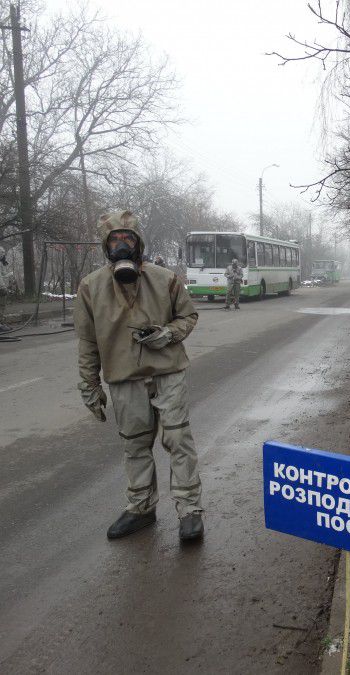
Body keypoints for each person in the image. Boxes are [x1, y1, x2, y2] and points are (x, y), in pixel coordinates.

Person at [73, 210, 205, 541]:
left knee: (178, 440)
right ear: (105, 245)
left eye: (127, 238)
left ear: (138, 242)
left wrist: (168, 333)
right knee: (135, 446)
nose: (121, 245)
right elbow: (87, 342)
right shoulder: (90, 287)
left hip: (167, 372)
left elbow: (188, 316)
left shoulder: (166, 279)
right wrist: (90, 385)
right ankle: (141, 508)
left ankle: (189, 511)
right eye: (114, 239)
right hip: (124, 379)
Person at [0, 246, 12, 333]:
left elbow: (3, 275)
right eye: (2, 253)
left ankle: (1, 323)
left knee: (2, 306)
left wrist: (9, 275)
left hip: (2, 287)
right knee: (1, 306)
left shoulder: (1, 263)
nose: (3, 254)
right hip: (1, 288)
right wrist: (3, 287)